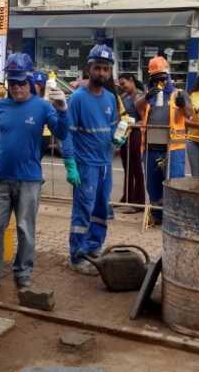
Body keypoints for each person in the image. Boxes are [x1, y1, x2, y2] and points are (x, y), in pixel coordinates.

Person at [0, 53, 70, 295]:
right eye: (12, 83)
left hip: (29, 180)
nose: (16, 88)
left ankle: (23, 275)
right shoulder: (0, 107)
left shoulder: (43, 107)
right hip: (0, 178)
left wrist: (63, 110)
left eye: (21, 83)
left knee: (25, 229)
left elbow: (62, 134)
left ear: (30, 81)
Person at [61, 44, 122, 275]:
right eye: (98, 68)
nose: (102, 73)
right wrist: (70, 165)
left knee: (100, 209)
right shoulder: (77, 99)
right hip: (85, 166)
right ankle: (77, 256)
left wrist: (118, 140)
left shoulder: (109, 98)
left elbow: (115, 127)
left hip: (105, 164)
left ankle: (94, 248)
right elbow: (67, 134)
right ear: (89, 68)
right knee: (83, 211)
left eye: (106, 69)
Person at [137, 56, 189, 226]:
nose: (160, 81)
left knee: (173, 184)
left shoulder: (179, 94)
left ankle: (173, 219)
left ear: (168, 76)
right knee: (153, 185)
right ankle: (157, 216)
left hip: (173, 148)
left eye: (163, 77)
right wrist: (146, 97)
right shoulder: (150, 96)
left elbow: (191, 113)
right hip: (151, 148)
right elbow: (138, 107)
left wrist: (183, 104)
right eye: (156, 78)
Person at [117, 73, 145, 210]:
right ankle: (127, 197)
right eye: (120, 85)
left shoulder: (141, 96)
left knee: (137, 168)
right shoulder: (123, 97)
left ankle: (139, 202)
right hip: (124, 134)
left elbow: (145, 118)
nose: (122, 87)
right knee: (127, 167)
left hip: (136, 134)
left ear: (131, 81)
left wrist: (134, 124)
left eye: (124, 84)